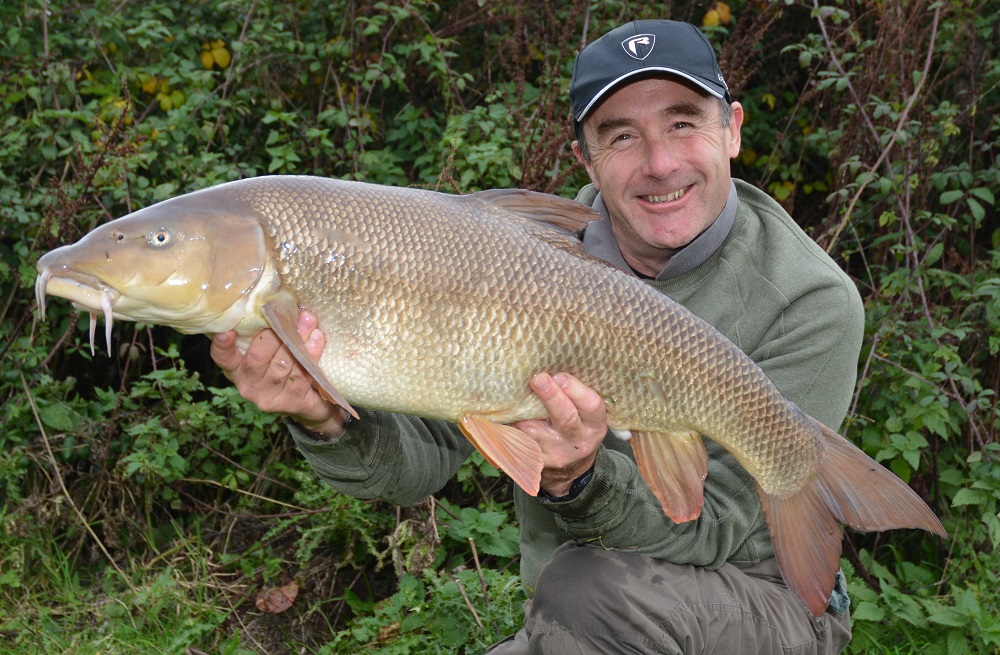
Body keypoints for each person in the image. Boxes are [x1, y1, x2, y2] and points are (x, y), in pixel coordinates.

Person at [211, 19, 864, 654]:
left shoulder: (810, 297)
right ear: (585, 157)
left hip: (764, 594)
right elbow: (412, 469)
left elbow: (715, 526)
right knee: (581, 596)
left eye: (684, 123)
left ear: (733, 131)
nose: (661, 163)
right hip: (579, 613)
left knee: (586, 589)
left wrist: (580, 479)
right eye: (622, 136)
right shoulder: (522, 263)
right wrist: (326, 416)